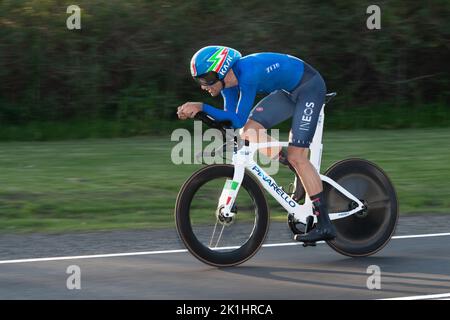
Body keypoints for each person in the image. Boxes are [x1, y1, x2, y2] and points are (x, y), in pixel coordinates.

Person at [177, 45, 336, 243]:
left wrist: (201, 107)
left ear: (221, 70)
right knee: (249, 131)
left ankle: (324, 224)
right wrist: (203, 116)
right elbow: (232, 124)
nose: (203, 86)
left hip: (309, 87)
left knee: (298, 156)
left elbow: (238, 118)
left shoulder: (248, 73)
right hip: (288, 92)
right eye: (198, 81)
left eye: (205, 79)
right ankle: (297, 170)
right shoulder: (229, 86)